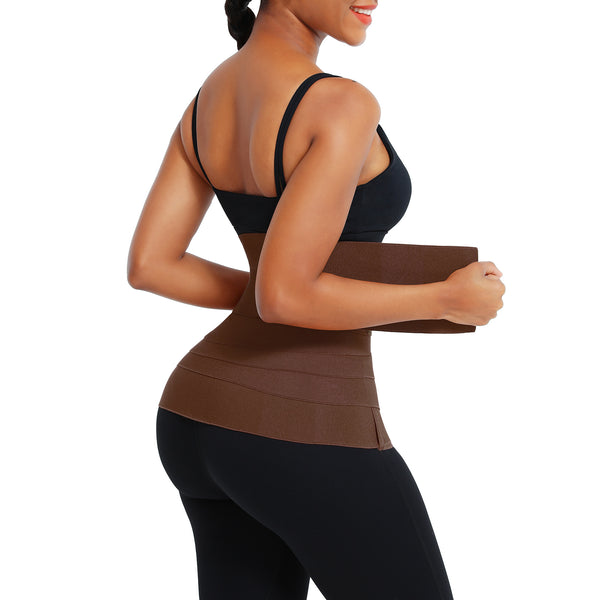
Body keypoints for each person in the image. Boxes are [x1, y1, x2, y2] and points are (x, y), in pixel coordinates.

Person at [127, 1, 505, 598]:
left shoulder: (207, 99)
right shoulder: (341, 103)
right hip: (301, 421)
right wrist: (443, 298)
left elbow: (153, 266)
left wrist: (284, 294)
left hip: (194, 418)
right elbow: (285, 295)